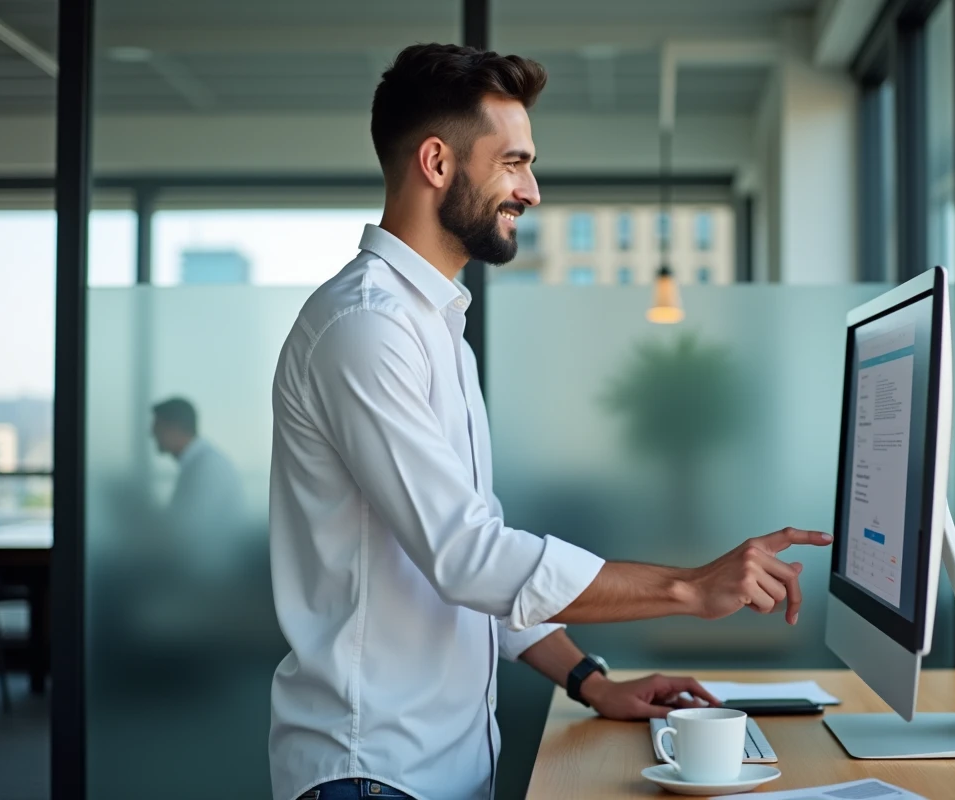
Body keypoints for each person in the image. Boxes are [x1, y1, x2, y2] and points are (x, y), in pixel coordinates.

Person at [268, 43, 832, 800]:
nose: (531, 191)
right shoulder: (366, 329)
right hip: (374, 774)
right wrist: (690, 589)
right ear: (437, 162)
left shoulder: (434, 327)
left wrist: (590, 680)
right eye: (514, 162)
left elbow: (477, 576)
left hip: (436, 770)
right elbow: (469, 558)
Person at [150, 397, 245, 568]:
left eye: (157, 425)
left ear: (174, 428)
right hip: (201, 572)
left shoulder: (209, 467)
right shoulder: (199, 464)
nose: (151, 433)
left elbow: (186, 534)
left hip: (208, 577)